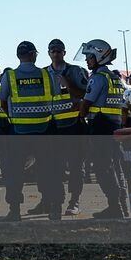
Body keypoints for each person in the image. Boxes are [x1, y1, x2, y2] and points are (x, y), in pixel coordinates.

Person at [0, 42, 63, 221]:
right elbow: (56, 94)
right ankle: (55, 208)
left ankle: (15, 211)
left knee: (14, 173)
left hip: (19, 131)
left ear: (18, 56)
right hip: (44, 129)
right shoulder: (46, 74)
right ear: (34, 55)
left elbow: (3, 101)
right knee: (50, 170)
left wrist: (14, 117)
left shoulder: (9, 76)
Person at [79, 39, 128, 218]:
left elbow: (86, 103)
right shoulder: (116, 79)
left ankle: (115, 207)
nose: (87, 60)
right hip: (115, 126)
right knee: (116, 166)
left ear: (99, 57)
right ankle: (122, 205)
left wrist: (81, 116)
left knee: (102, 168)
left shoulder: (98, 78)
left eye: (89, 57)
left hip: (100, 125)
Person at [45, 40, 89, 215]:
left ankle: (74, 201)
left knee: (76, 165)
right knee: (54, 166)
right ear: (49, 53)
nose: (56, 54)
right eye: (53, 51)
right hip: (53, 126)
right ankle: (56, 201)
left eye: (59, 51)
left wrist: (68, 84)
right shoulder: (43, 73)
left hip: (74, 126)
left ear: (64, 53)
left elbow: (86, 94)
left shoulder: (76, 71)